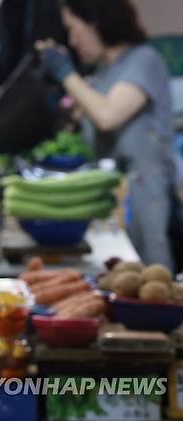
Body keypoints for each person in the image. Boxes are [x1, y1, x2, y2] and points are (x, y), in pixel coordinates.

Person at [38, 0, 177, 270]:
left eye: (74, 28)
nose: (72, 40)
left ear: (95, 22)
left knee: (153, 281)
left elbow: (108, 116)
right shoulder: (103, 74)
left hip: (147, 197)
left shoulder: (144, 60)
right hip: (114, 204)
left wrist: (66, 73)